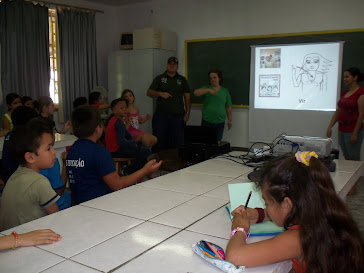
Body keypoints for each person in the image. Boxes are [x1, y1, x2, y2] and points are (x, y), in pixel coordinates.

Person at [225, 152, 364, 273]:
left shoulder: (297, 239)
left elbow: (235, 256)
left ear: (287, 204)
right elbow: (283, 212)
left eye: (267, 202)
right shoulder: (322, 211)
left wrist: (239, 228)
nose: (266, 206)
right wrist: (258, 214)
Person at [66, 105, 161, 205]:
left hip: (77, 205)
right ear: (98, 128)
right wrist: (145, 170)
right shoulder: (99, 152)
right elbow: (117, 185)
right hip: (99, 206)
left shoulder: (72, 150)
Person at [0, 119, 60, 231]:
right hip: (29, 239)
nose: (54, 151)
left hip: (9, 238)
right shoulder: (39, 182)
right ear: (30, 157)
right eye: (48, 148)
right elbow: (57, 217)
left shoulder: (15, 175)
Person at [147, 56, 191, 153]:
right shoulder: (159, 78)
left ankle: (175, 164)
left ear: (177, 66)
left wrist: (187, 113)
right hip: (161, 115)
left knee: (177, 141)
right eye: (170, 64)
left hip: (178, 115)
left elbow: (187, 97)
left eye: (174, 64)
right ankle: (158, 163)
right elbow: (149, 92)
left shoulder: (182, 80)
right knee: (159, 140)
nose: (172, 66)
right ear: (167, 65)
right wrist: (160, 93)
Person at [105, 98, 152, 175]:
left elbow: (128, 135)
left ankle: (137, 171)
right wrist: (135, 141)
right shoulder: (118, 122)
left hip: (116, 150)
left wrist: (136, 142)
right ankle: (128, 171)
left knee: (141, 145)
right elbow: (121, 142)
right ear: (114, 110)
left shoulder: (116, 120)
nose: (124, 110)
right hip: (116, 151)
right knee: (146, 152)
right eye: (121, 108)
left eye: (125, 107)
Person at [326, 67, 364, 161]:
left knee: (353, 158)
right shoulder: (345, 93)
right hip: (342, 130)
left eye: (347, 77)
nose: (344, 79)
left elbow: (361, 115)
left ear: (355, 77)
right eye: (344, 77)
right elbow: (339, 111)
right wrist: (330, 126)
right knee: (347, 156)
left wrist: (355, 133)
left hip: (353, 131)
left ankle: (357, 176)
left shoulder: (360, 93)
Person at [194, 69, 232, 141]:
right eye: (211, 78)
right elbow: (196, 93)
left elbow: (228, 106)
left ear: (219, 78)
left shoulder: (225, 91)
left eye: (215, 77)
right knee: (205, 141)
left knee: (217, 141)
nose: (213, 79)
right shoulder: (206, 88)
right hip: (207, 121)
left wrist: (230, 120)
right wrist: (208, 90)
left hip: (220, 122)